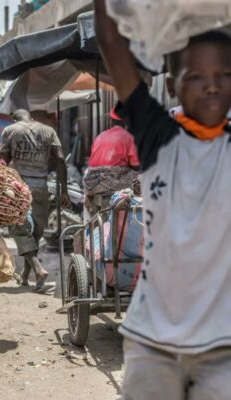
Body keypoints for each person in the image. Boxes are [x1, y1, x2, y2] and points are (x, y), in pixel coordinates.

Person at [95, 1, 231, 398]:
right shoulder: (160, 138)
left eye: (224, 74)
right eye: (196, 76)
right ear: (172, 86)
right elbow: (110, 41)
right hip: (153, 340)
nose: (211, 85)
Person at [0, 109, 70, 289]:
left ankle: (38, 269)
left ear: (14, 119)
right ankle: (25, 276)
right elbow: (61, 159)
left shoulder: (10, 130)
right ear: (31, 117)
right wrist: (64, 191)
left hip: (19, 186)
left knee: (18, 227)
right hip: (42, 185)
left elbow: (2, 162)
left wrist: (0, 186)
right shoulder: (48, 131)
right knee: (36, 231)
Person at [83, 108, 140, 218]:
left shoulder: (100, 136)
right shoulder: (128, 137)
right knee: (140, 176)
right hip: (109, 182)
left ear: (111, 121)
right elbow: (136, 165)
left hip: (91, 181)